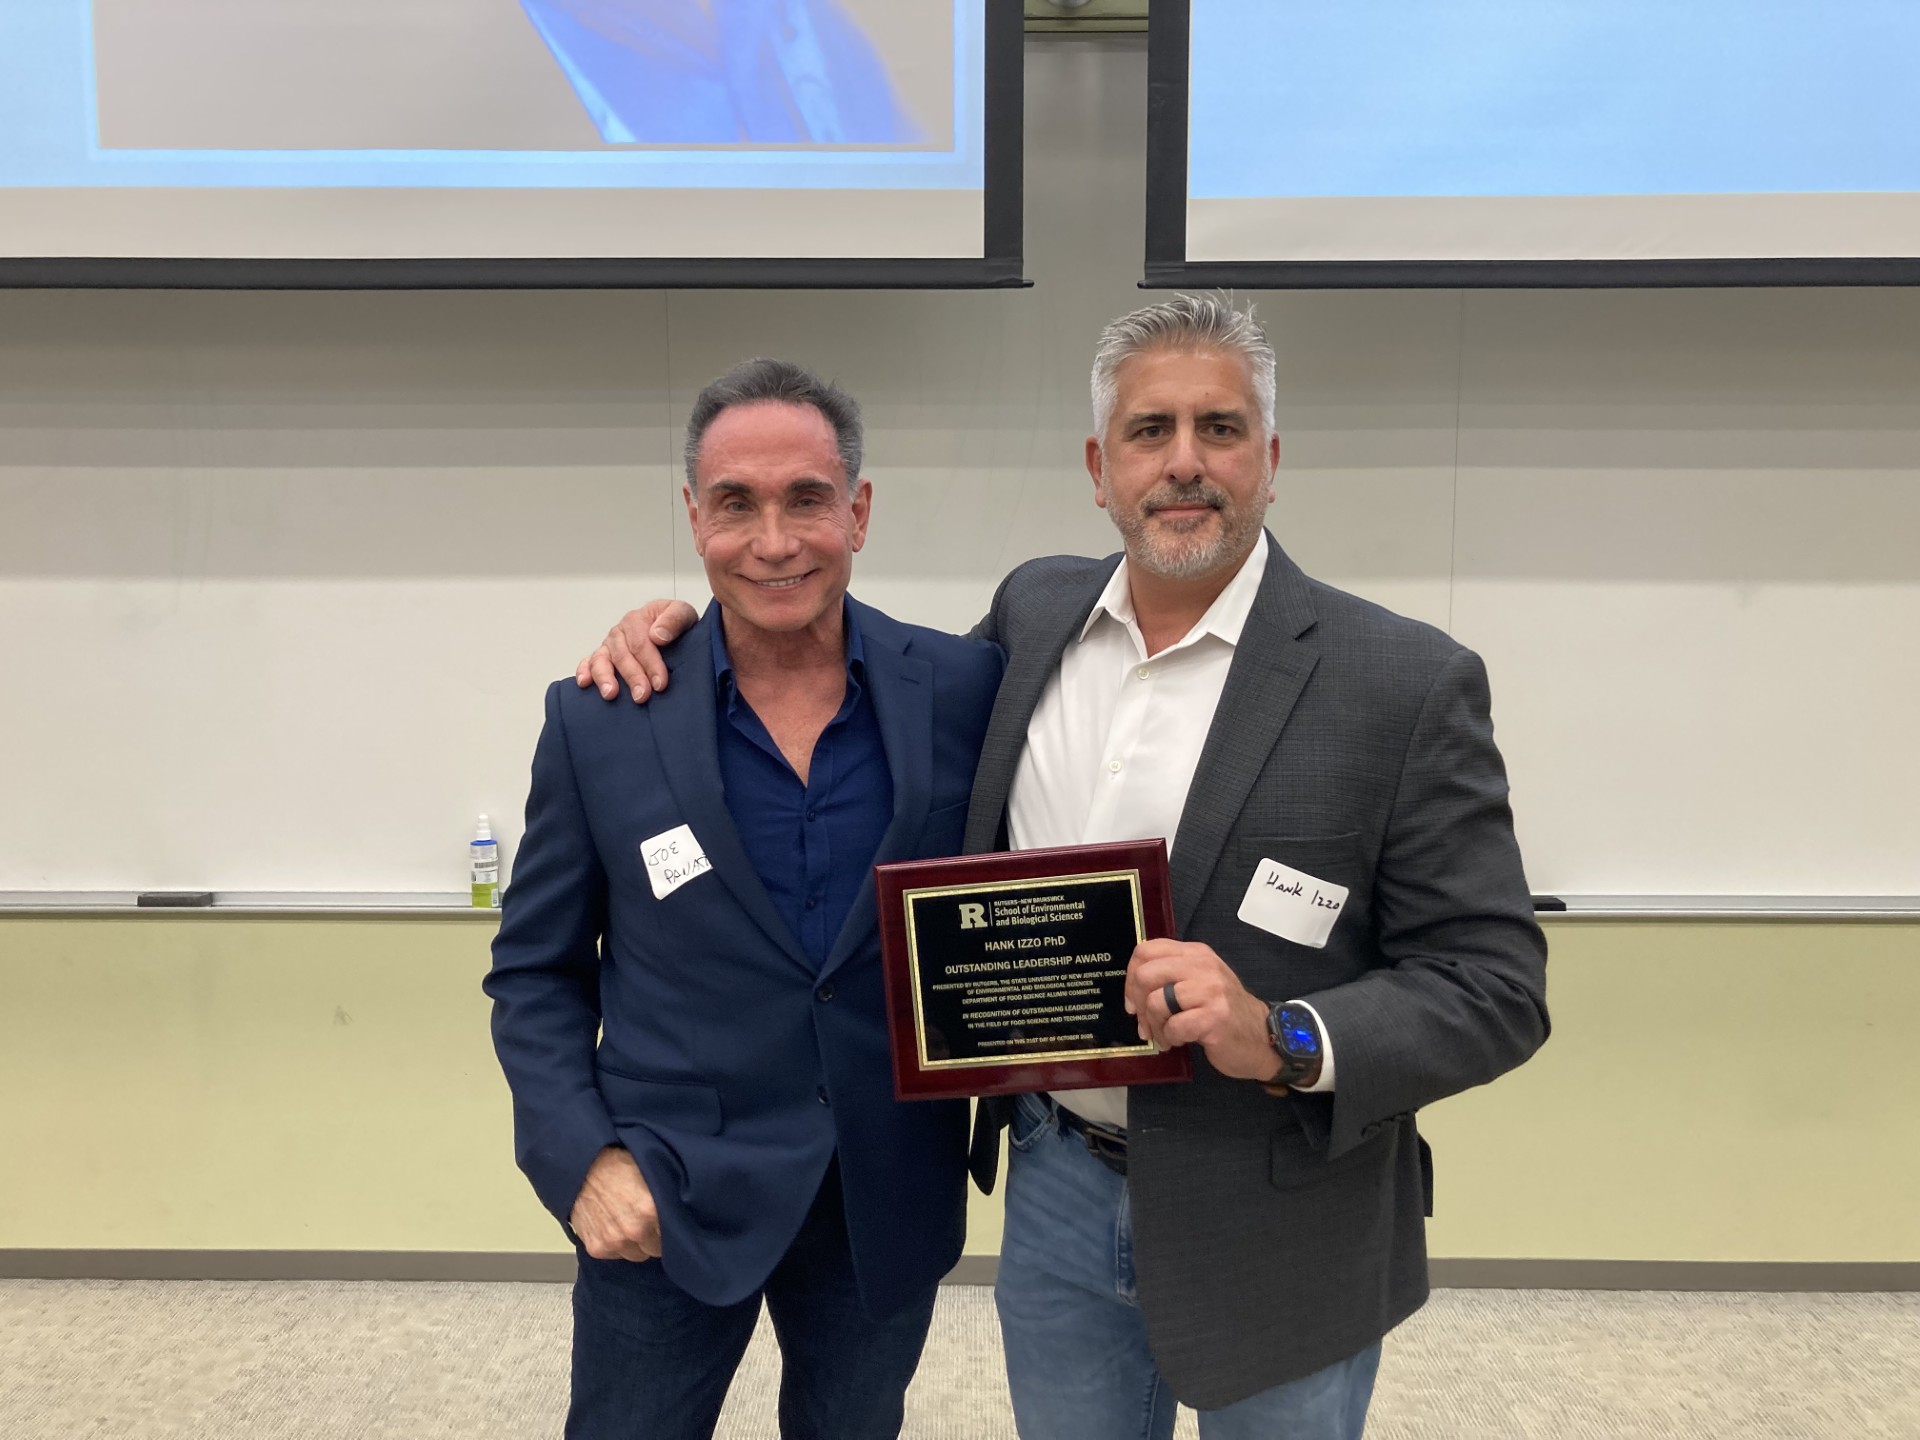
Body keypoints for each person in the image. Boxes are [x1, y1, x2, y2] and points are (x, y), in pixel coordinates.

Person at [580, 295, 1551, 1440]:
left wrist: (1286, 1037)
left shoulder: (1402, 682)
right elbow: (844, 679)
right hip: (1057, 1193)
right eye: (1149, 431)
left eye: (1220, 428)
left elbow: (1495, 986)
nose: (1183, 462)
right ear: (1100, 467)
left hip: (1283, 1213)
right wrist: (688, 629)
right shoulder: (1031, 619)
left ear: (1271, 458)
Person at [484, 358, 1003, 1440]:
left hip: (882, 1191)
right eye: (736, 504)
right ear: (695, 518)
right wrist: (581, 1159)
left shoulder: (962, 688)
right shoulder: (601, 718)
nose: (774, 541)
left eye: (807, 499)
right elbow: (535, 973)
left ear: (858, 511)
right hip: (665, 1190)